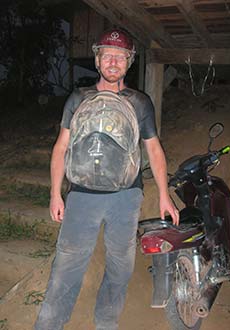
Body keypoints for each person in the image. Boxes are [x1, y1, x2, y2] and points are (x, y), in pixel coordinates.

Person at [34, 28, 179, 330]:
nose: (113, 62)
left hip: (125, 199)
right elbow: (61, 147)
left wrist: (164, 195)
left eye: (120, 57)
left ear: (129, 63)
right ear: (97, 60)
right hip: (81, 197)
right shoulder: (78, 98)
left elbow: (154, 149)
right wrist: (55, 193)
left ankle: (106, 324)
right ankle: (47, 326)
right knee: (66, 268)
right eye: (107, 56)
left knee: (119, 268)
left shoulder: (140, 102)